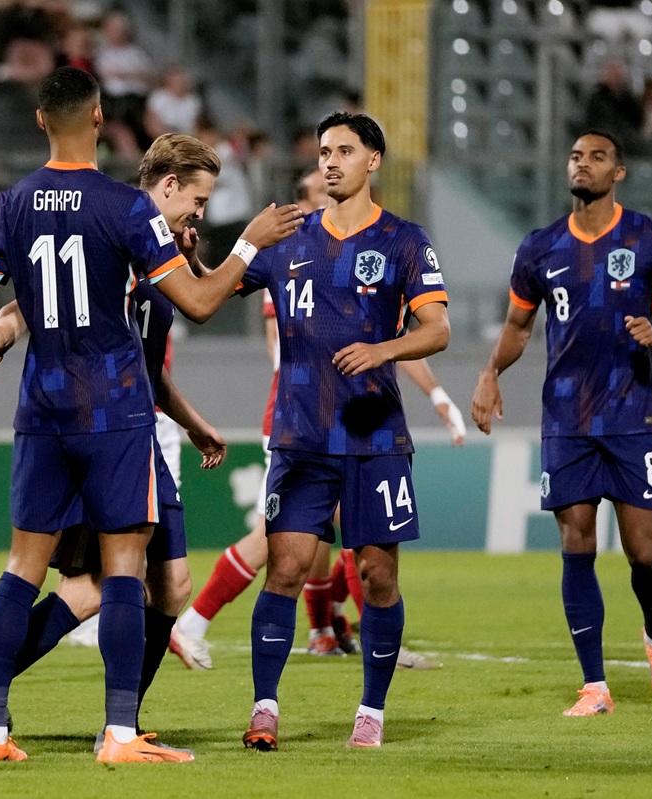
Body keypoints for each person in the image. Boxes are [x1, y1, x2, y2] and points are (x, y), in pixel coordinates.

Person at [0, 66, 302, 763]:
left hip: (42, 408)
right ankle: (117, 733)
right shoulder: (126, 209)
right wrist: (251, 242)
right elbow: (198, 302)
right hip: (113, 411)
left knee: (22, 567)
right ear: (101, 117)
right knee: (120, 572)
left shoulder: (11, 203)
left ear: (42, 120)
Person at [0, 132, 228, 755]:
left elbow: (141, 353)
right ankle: (86, 719)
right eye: (197, 199)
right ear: (168, 186)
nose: (200, 213)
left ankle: (29, 712)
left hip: (128, 420)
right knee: (108, 581)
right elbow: (30, 302)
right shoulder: (122, 224)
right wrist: (6, 330)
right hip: (109, 425)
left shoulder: (151, 237)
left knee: (162, 585)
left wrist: (192, 420)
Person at [171, 168, 462, 671]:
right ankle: (198, 621)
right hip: (299, 422)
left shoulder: (386, 245)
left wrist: (432, 390)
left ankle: (329, 630)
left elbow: (401, 333)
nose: (314, 200)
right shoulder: (287, 247)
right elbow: (226, 306)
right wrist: (204, 258)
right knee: (285, 546)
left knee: (344, 545)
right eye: (306, 192)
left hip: (357, 420)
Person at [236, 112, 450, 751]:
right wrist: (241, 243)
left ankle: (372, 712)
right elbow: (206, 291)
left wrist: (382, 351)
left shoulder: (405, 240)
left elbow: (437, 329)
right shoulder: (287, 241)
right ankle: (265, 708)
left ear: (373, 161)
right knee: (287, 567)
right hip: (302, 435)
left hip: (375, 437)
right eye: (324, 151)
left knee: (378, 575)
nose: (330, 162)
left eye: (344, 151)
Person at [471, 130, 652, 717]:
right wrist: (490, 372)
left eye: (597, 157)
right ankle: (595, 685)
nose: (583, 164)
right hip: (566, 418)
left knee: (645, 553)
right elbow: (519, 327)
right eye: (575, 156)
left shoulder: (650, 238)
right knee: (576, 541)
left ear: (617, 171)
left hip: (631, 415)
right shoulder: (540, 247)